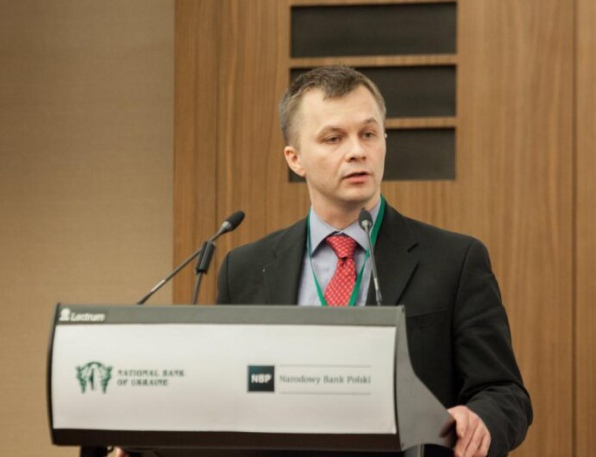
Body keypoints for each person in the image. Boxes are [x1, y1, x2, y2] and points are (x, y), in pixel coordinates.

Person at [216, 66, 532, 457]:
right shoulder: (244, 270)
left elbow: (504, 393)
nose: (357, 151)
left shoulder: (455, 261)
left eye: (368, 134)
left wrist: (480, 419)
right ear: (295, 159)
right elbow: (226, 398)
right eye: (334, 138)